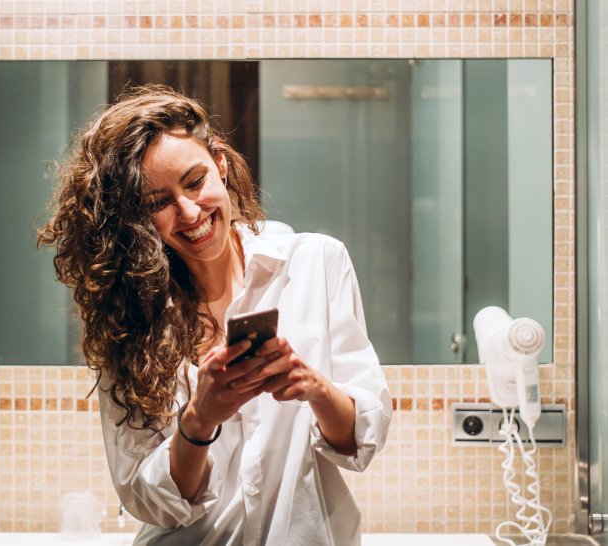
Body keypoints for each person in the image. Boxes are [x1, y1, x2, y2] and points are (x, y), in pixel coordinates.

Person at [39, 85, 392, 545]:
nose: (189, 212)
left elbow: (363, 437)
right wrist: (199, 419)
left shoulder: (315, 264)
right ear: (136, 218)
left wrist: (314, 387)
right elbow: (147, 498)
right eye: (157, 203)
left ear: (220, 165)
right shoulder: (129, 319)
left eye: (194, 181)